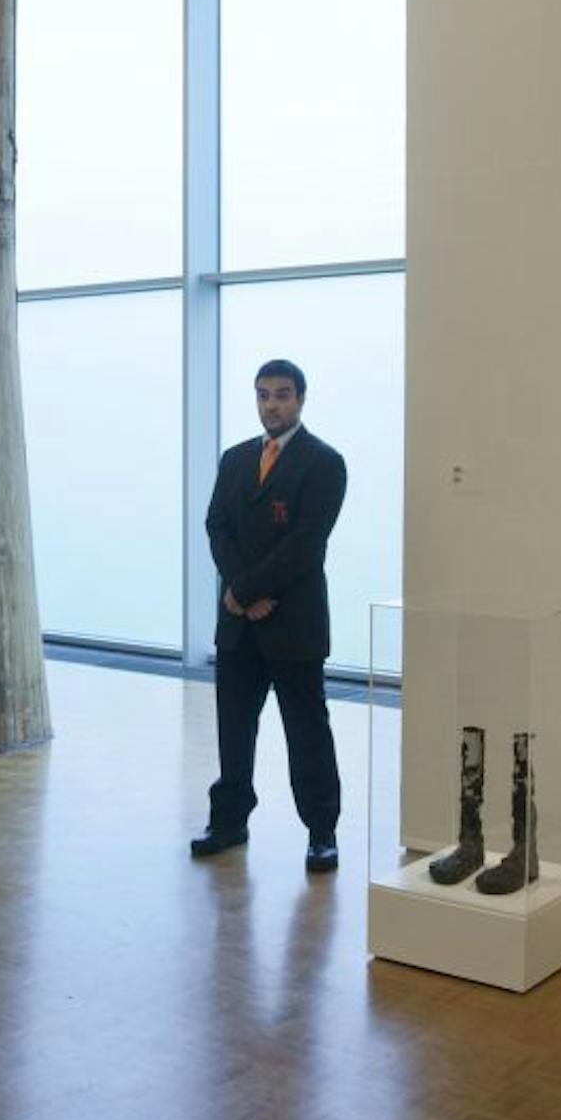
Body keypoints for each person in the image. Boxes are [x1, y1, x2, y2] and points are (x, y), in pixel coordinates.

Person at [191, 359, 348, 873]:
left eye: (282, 394)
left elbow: (306, 543)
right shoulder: (235, 459)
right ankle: (229, 822)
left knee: (306, 730)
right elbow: (216, 526)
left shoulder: (324, 462)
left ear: (300, 399)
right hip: (239, 623)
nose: (272, 404)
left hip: (293, 621)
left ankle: (322, 832)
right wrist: (240, 591)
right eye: (263, 395)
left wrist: (247, 589)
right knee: (234, 727)